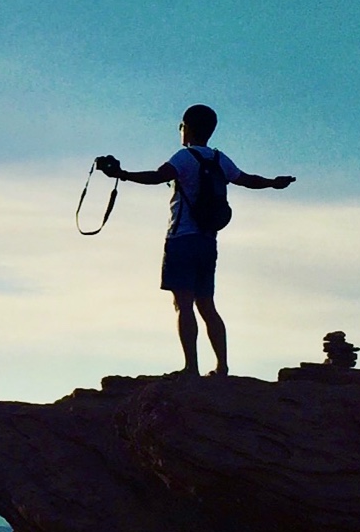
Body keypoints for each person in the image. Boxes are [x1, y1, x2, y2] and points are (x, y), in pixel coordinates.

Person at [96, 106, 294, 377]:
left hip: (182, 238)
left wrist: (123, 174)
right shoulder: (219, 159)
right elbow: (247, 180)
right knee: (207, 305)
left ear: (186, 127)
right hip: (208, 240)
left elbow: (158, 176)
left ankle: (191, 368)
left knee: (184, 304)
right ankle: (222, 366)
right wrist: (273, 182)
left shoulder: (184, 157)